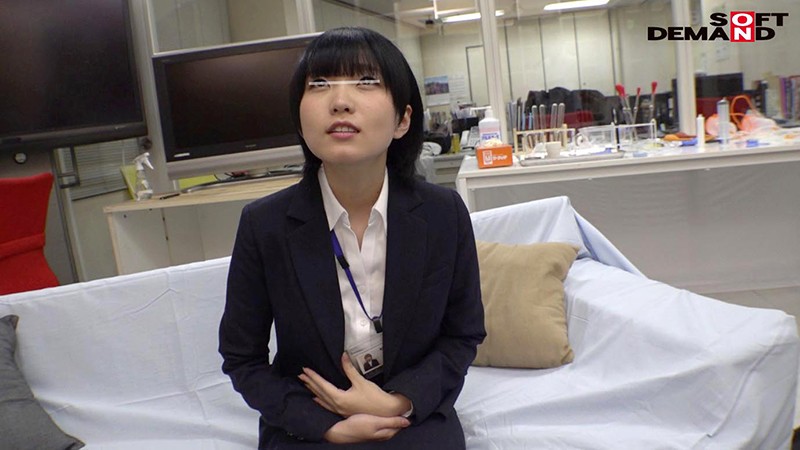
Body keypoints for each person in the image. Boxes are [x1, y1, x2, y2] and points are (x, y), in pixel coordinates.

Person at [219, 27, 485, 449]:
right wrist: (324, 425)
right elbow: (242, 358)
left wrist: (399, 402)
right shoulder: (264, 224)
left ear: (403, 120)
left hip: (412, 423)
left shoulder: (443, 214)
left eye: (366, 81)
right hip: (308, 427)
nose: (340, 100)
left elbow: (463, 335)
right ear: (300, 119)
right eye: (319, 84)